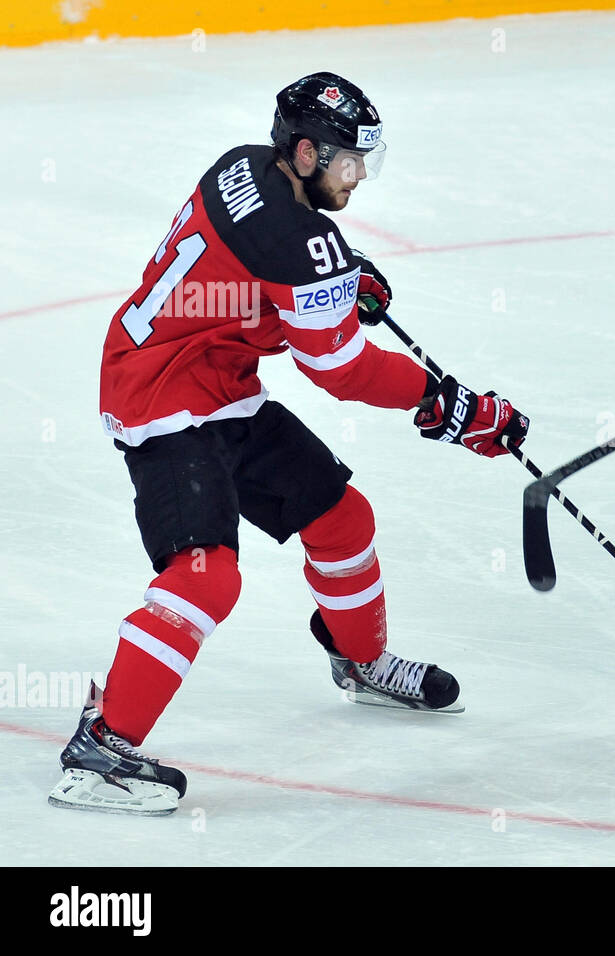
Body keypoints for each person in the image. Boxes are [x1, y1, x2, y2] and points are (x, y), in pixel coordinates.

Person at [48, 72, 529, 815]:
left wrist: (340, 281)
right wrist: (449, 405)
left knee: (344, 520)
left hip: (215, 380)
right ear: (305, 153)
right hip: (162, 400)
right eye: (348, 160)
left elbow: (248, 280)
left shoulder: (247, 164)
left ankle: (361, 662)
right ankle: (102, 747)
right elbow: (339, 368)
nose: (360, 174)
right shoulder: (299, 238)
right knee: (205, 576)